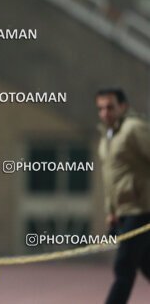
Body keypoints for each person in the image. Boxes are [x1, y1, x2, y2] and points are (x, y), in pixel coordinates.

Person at [95, 88, 150, 304]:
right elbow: (111, 179)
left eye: (110, 107)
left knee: (123, 266)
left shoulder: (134, 129)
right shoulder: (107, 137)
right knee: (146, 263)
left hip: (142, 208)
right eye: (100, 108)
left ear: (123, 106)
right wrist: (111, 211)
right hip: (123, 211)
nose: (105, 113)